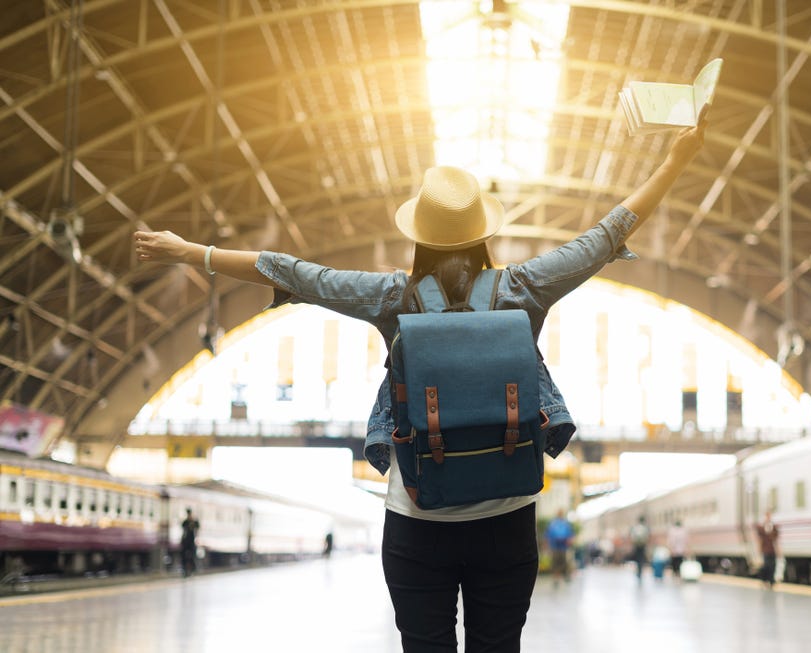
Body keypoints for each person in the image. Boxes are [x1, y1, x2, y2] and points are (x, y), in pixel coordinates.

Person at [134, 113, 707, 653]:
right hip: (506, 517)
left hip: (416, 518)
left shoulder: (392, 297)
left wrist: (193, 252)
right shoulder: (524, 288)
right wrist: (678, 159)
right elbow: (608, 234)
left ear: (420, 236)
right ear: (483, 234)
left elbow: (293, 273)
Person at [544, 509, 574, 586]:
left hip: (563, 546)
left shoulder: (565, 523)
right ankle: (556, 578)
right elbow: (548, 534)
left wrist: (570, 540)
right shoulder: (553, 523)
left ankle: (565, 575)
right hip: (555, 545)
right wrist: (547, 543)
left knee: (564, 561)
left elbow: (570, 533)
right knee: (555, 562)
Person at [755, 510, 781, 588]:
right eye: (767, 516)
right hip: (765, 549)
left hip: (772, 549)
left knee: (773, 565)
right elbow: (760, 540)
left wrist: (778, 550)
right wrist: (759, 550)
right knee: (766, 565)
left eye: (769, 516)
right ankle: (764, 580)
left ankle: (771, 581)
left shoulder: (774, 527)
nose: (768, 517)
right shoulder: (761, 527)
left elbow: (776, 540)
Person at [628, 515, 650, 582]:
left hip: (636, 545)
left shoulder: (635, 528)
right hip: (642, 545)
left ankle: (638, 571)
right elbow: (647, 536)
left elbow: (632, 536)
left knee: (637, 559)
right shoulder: (645, 528)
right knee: (641, 559)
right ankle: (639, 571)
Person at [180, 508, 199, 577]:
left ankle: (193, 569)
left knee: (192, 556)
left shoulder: (194, 522)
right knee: (184, 556)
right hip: (185, 542)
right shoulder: (185, 522)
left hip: (192, 542)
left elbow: (197, 529)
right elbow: (183, 530)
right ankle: (185, 570)